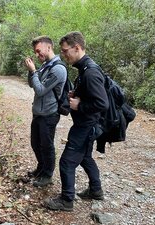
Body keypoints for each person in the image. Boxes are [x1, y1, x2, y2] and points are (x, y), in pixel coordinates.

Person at [43, 31, 109, 211]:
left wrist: (80, 106)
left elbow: (102, 103)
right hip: (88, 125)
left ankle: (66, 200)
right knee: (85, 157)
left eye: (65, 51)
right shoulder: (85, 68)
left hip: (86, 126)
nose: (63, 55)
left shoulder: (90, 72)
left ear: (77, 48)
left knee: (66, 162)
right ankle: (96, 190)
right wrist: (77, 95)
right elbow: (92, 95)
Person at [24, 36, 67, 187]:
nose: (37, 55)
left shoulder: (58, 69)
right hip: (38, 113)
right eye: (35, 52)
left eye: (38, 51)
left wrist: (34, 71)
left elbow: (40, 90)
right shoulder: (45, 65)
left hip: (49, 114)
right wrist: (31, 72)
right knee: (35, 144)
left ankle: (47, 175)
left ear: (48, 47)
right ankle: (41, 168)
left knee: (46, 145)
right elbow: (32, 84)